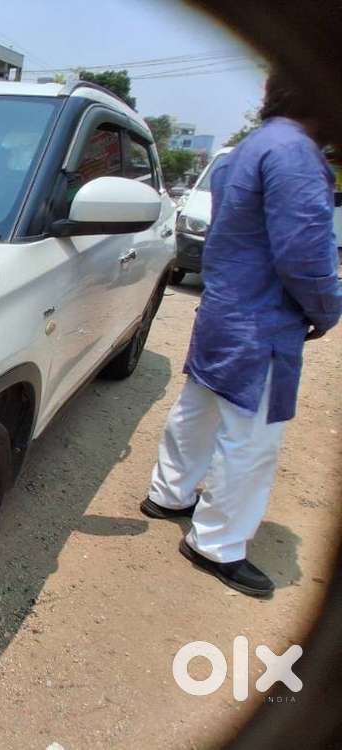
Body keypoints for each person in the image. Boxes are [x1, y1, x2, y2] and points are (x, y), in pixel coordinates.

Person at [141, 69, 342, 598]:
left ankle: (168, 494)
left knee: (200, 408)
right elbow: (305, 256)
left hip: (222, 311)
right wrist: (327, 310)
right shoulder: (298, 156)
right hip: (262, 324)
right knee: (249, 440)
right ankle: (217, 544)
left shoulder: (245, 150)